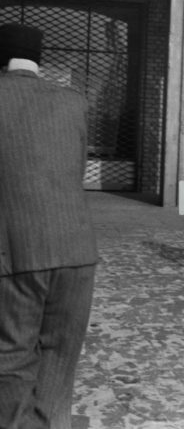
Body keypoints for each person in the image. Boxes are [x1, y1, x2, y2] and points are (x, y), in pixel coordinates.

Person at [0, 23, 98, 429]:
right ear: (36, 60)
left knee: (12, 359)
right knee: (59, 362)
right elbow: (71, 171)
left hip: (16, 251)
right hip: (76, 250)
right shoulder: (72, 102)